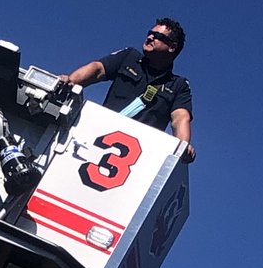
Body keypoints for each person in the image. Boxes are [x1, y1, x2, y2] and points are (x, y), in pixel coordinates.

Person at [63, 19, 195, 162]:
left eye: (158, 36)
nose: (150, 37)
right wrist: (70, 81)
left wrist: (182, 146)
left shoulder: (178, 85)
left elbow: (180, 118)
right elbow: (97, 69)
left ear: (172, 47)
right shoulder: (129, 57)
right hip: (96, 137)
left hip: (135, 161)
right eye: (150, 33)